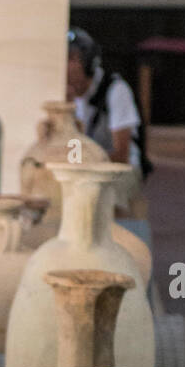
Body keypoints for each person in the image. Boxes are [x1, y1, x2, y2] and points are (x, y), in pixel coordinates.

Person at [66, 26, 151, 229]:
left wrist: (83, 162)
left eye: (71, 60)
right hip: (88, 169)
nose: (64, 67)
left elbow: (121, 155)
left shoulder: (115, 90)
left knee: (106, 196)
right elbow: (73, 155)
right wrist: (67, 117)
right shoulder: (69, 99)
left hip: (122, 169)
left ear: (88, 63)